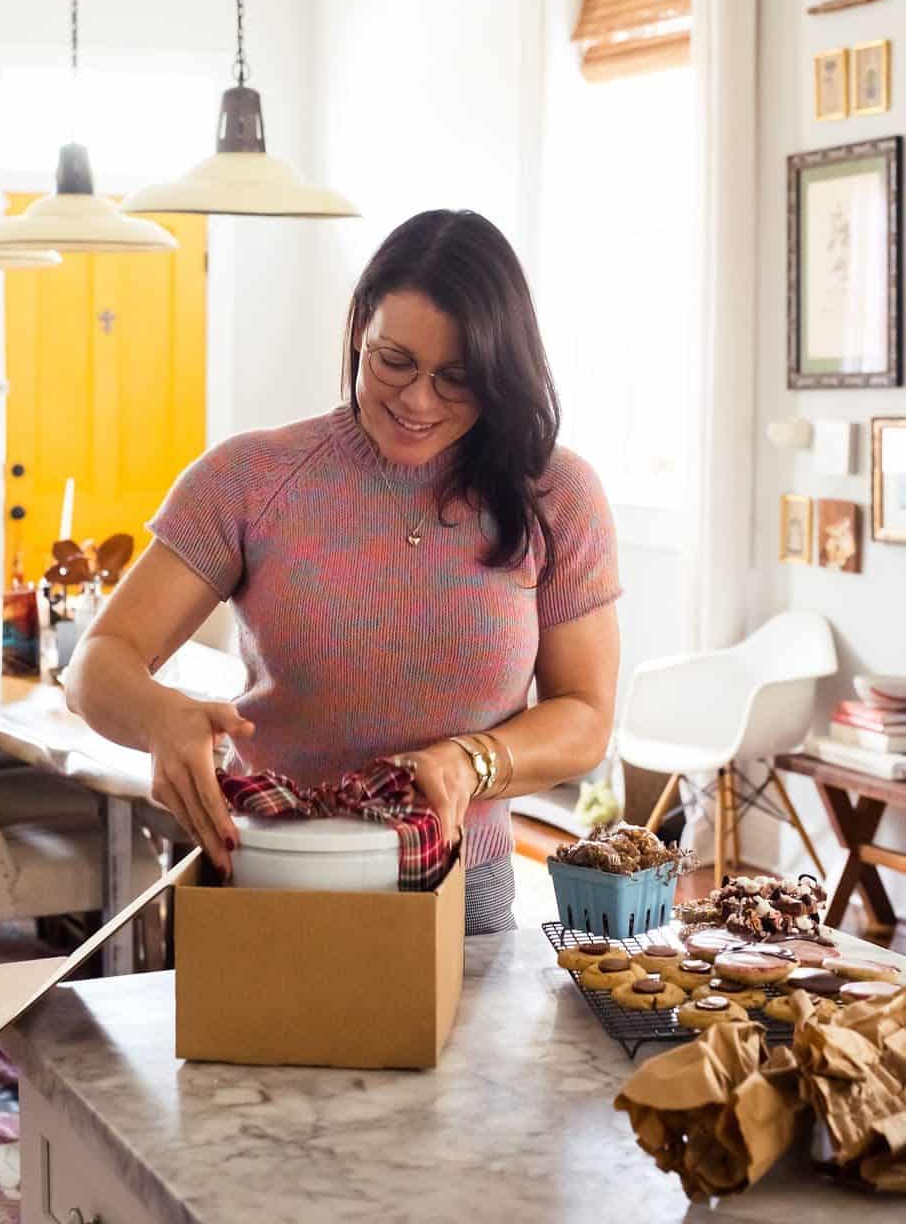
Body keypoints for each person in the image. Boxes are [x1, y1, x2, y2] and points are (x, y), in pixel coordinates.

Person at [65, 209, 621, 934]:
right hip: (271, 874)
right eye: (394, 361)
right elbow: (96, 666)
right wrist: (159, 718)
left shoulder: (556, 495)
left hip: (461, 887)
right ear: (359, 327)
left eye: (456, 378)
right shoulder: (247, 479)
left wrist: (469, 763)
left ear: (499, 375)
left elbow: (584, 718)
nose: (418, 401)